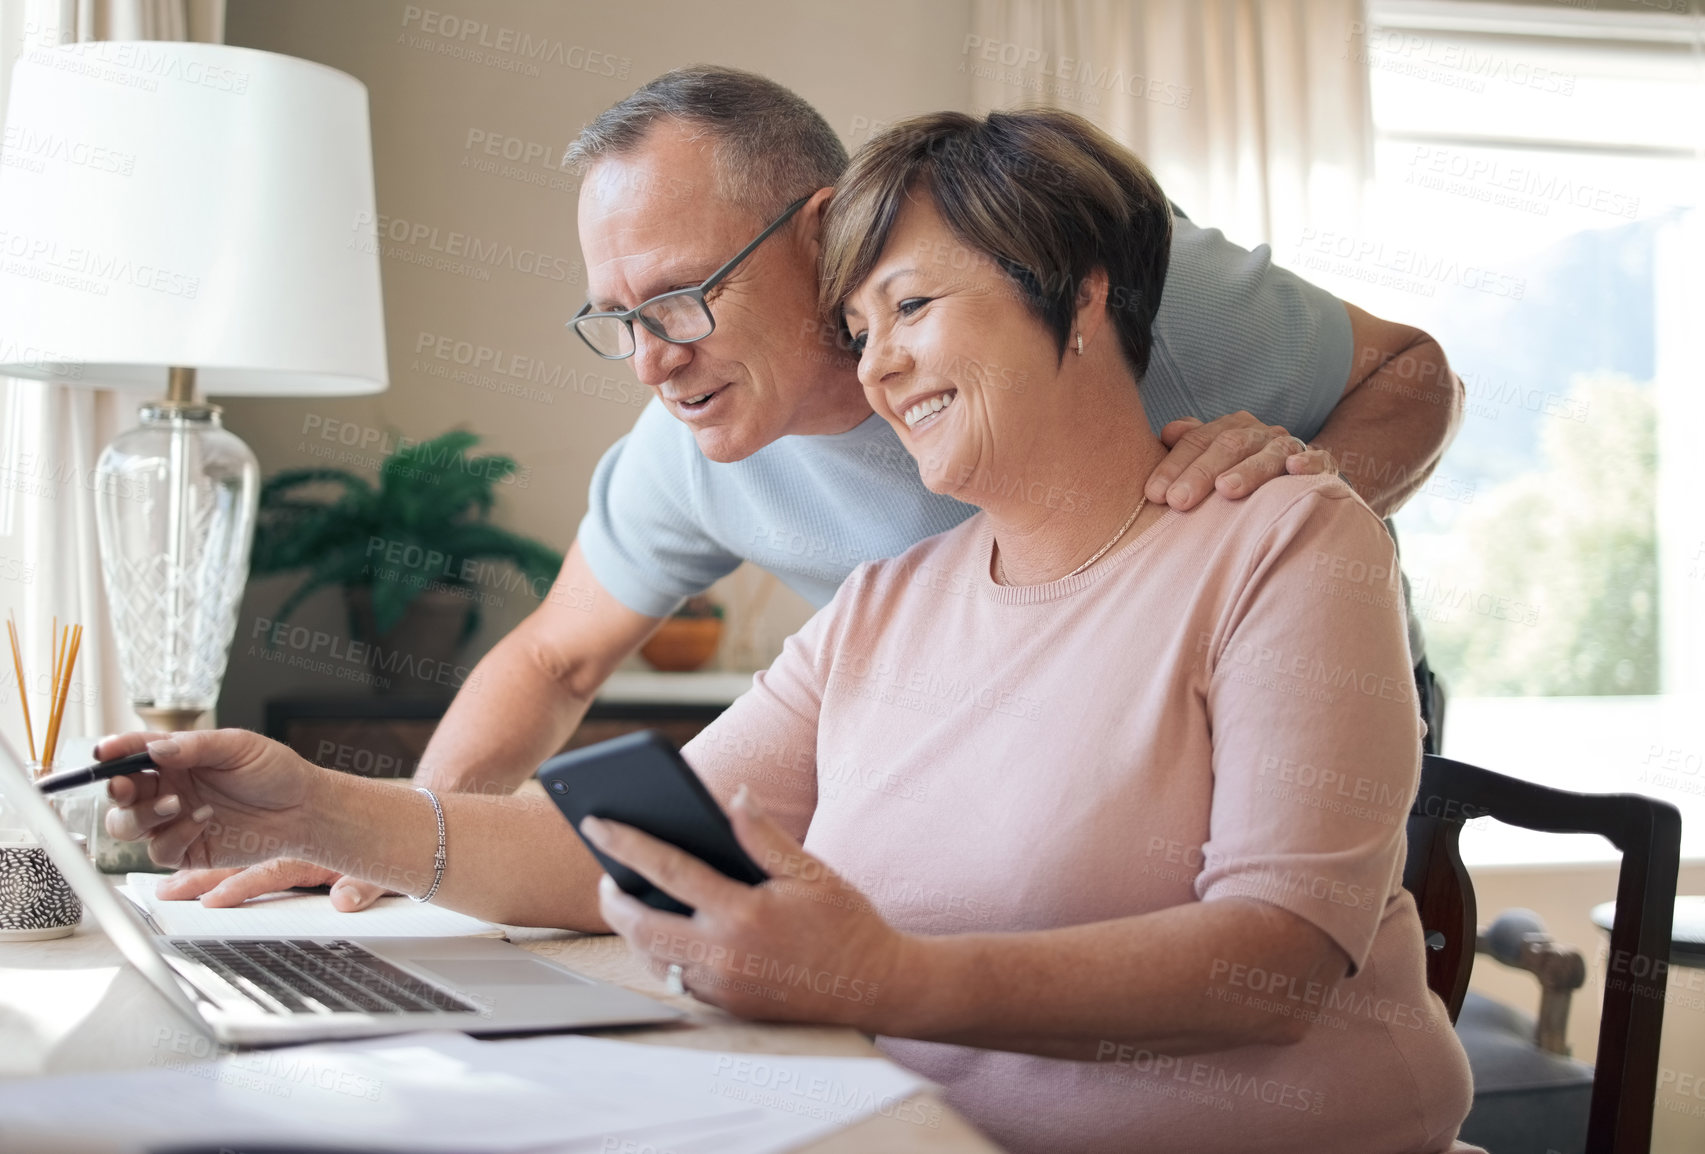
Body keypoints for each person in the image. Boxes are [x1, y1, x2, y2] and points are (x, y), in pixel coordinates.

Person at [103, 107, 1474, 1154]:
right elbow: (619, 845)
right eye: (861, 322)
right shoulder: (883, 604)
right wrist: (319, 814)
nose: (876, 362)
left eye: (916, 308)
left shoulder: (1287, 536)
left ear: (1089, 290)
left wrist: (888, 975)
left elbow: (1279, 960)